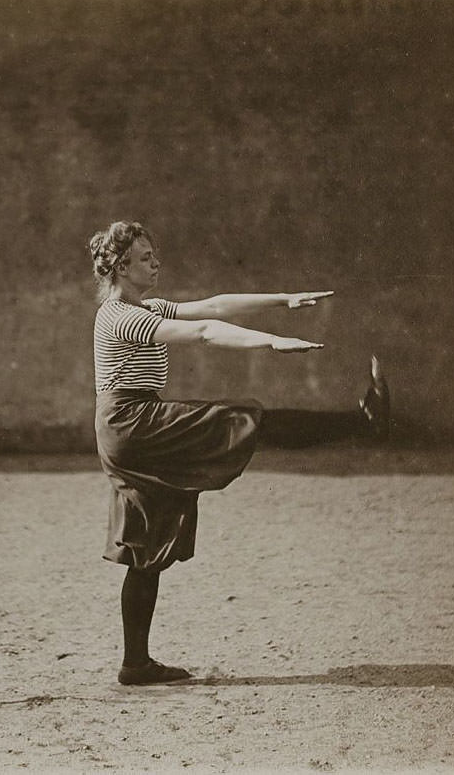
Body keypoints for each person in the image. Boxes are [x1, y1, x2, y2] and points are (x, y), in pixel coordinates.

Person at [88, 220, 389, 686]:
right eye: (146, 257)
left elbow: (214, 304)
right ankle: (360, 421)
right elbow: (207, 330)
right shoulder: (123, 317)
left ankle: (135, 664)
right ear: (122, 266)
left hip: (127, 429)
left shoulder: (142, 306)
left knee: (145, 548)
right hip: (132, 423)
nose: (156, 263)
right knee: (243, 420)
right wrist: (271, 341)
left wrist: (282, 300)